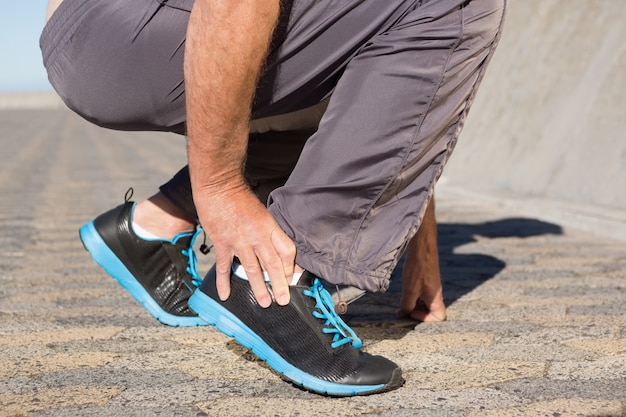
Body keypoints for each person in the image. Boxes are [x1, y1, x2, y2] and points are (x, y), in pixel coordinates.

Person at [41, 0, 506, 396]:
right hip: (128, 28)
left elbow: (397, 97)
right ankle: (274, 283)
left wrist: (420, 244)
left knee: (362, 57)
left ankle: (155, 225)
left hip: (98, 25)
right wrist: (219, 190)